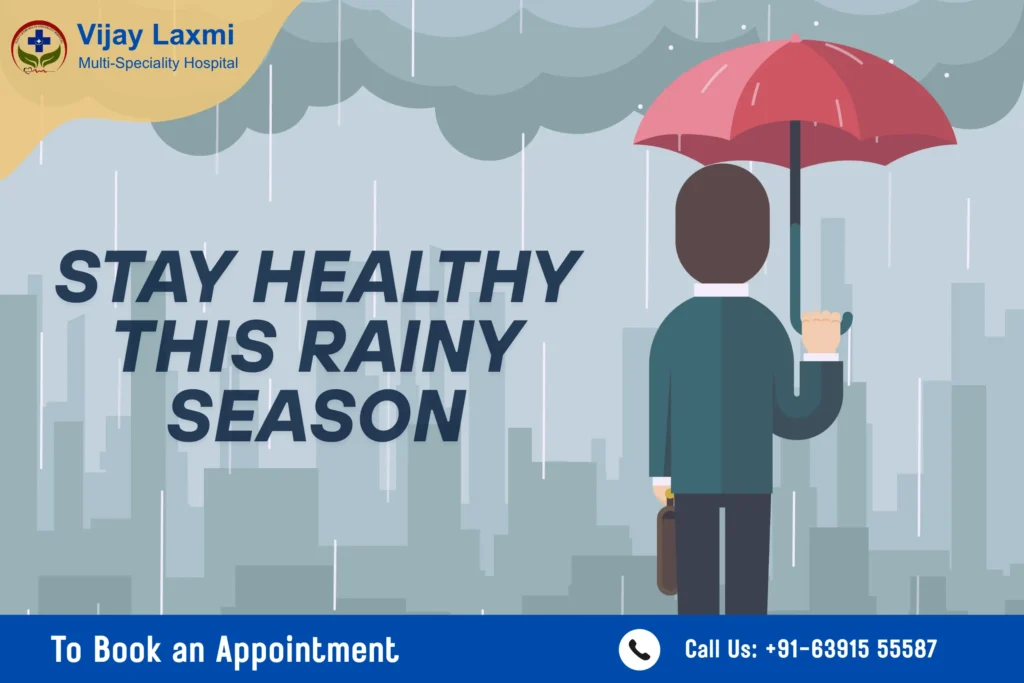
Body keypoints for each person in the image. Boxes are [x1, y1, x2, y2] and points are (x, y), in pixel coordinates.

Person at [649, 163, 844, 615]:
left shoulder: (674, 328)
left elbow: (662, 406)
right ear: (762, 245)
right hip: (750, 479)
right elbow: (795, 418)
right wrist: (822, 355)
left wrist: (662, 474)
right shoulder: (767, 328)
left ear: (682, 244)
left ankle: (698, 650)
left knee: (696, 593)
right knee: (748, 590)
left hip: (692, 479)